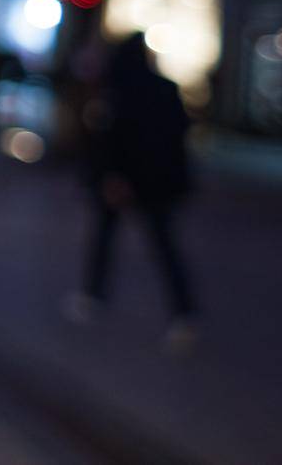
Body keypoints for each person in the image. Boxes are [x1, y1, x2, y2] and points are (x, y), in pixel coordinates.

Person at [66, 32, 199, 352]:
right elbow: (179, 138)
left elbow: (110, 139)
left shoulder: (117, 91)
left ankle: (94, 296)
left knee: (112, 239)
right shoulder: (165, 89)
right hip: (156, 183)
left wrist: (112, 176)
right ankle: (184, 312)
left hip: (128, 182)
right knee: (161, 246)